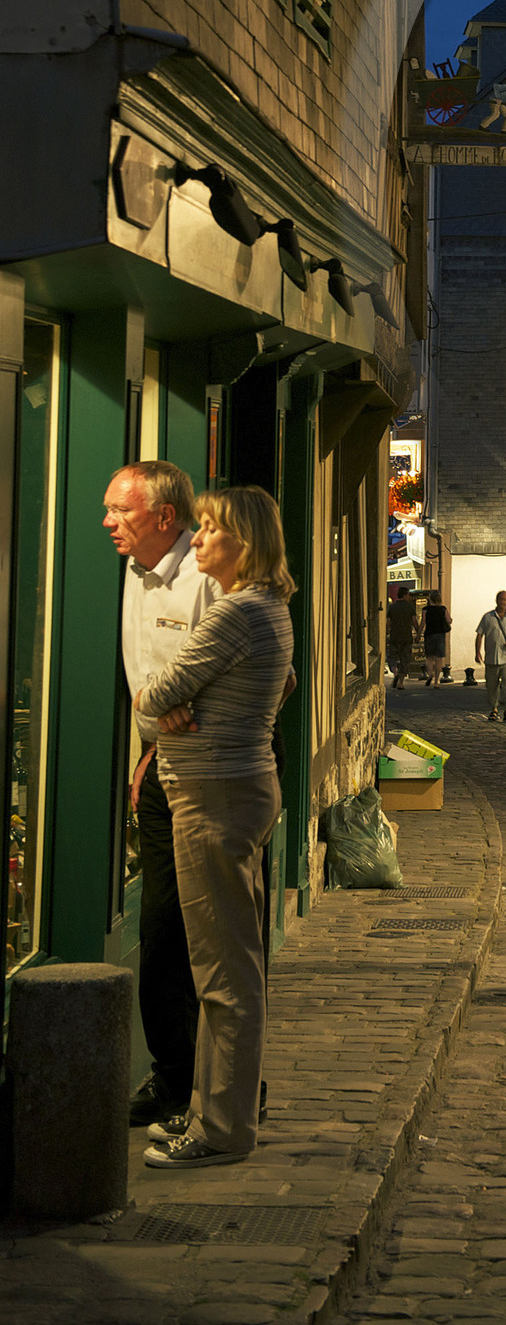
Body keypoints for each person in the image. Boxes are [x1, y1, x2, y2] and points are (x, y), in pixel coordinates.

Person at [135, 485, 295, 1168]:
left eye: (209, 529)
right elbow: (275, 688)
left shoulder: (236, 613)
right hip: (233, 786)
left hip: (214, 795)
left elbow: (155, 694)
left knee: (224, 971)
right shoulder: (269, 610)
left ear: (245, 543)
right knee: (221, 964)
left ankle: (223, 1128)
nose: (196, 539)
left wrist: (162, 701)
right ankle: (208, 1111)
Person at [109, 460, 213, 1128]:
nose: (108, 521)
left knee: (217, 932)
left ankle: (231, 1080)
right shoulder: (133, 572)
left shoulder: (208, 574)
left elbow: (263, 671)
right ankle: (173, 1075)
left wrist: (197, 708)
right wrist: (149, 736)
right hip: (159, 765)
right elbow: (143, 674)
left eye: (122, 510)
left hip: (214, 769)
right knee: (159, 925)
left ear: (165, 517)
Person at [475, 590, 506, 721]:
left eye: (505, 600)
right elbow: (479, 634)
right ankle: (494, 709)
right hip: (491, 657)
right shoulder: (488, 617)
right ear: (496, 600)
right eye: (501, 599)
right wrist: (477, 651)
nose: (503, 602)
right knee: (492, 685)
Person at [388, 588, 416, 690]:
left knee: (392, 656)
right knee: (405, 659)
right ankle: (401, 683)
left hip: (395, 636)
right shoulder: (410, 607)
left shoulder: (392, 607)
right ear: (405, 595)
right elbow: (414, 621)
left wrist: (388, 632)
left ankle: (395, 672)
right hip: (406, 636)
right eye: (408, 595)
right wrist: (418, 632)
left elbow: (388, 622)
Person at [422, 593, 451, 685]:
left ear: (430, 599)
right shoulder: (443, 609)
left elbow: (423, 622)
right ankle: (436, 682)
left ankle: (430, 673)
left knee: (429, 657)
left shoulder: (425, 610)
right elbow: (449, 620)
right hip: (440, 635)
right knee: (439, 659)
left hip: (429, 634)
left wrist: (419, 634)